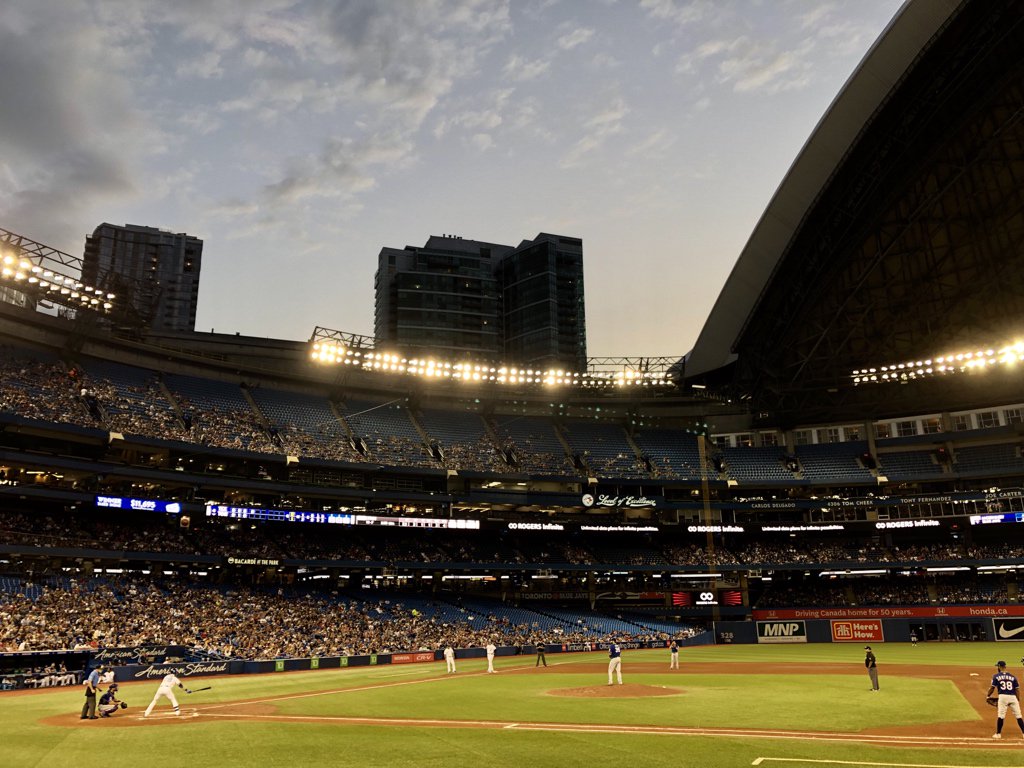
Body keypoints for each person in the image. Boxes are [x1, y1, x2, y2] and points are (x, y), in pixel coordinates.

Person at [987, 660, 1024, 739]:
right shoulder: (1013, 677)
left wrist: (988, 696)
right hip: (1013, 697)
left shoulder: (996, 676)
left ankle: (998, 734)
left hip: (1003, 697)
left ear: (999, 667)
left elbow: (992, 688)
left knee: (1001, 715)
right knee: (1018, 716)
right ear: (1005, 667)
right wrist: (1017, 700)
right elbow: (1017, 689)